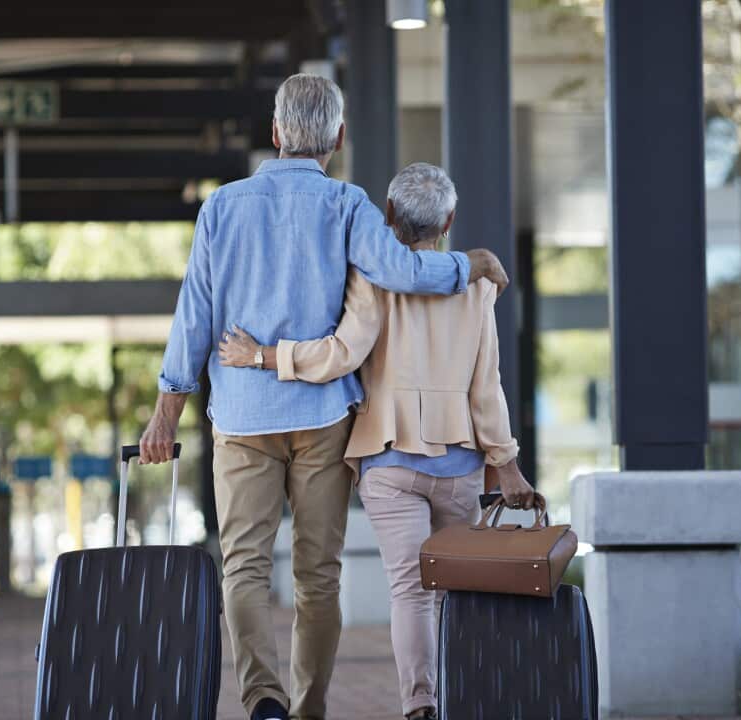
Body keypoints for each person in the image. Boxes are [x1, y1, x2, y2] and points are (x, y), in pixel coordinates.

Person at [137, 75, 509, 720]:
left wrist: (166, 411)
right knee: (318, 575)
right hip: (324, 418)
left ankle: (264, 701)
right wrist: (467, 264)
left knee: (245, 569)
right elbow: (399, 271)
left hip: (243, 417)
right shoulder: (347, 204)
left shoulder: (221, 207)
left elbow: (192, 314)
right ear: (337, 138)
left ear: (277, 134)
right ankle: (309, 709)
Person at [218, 162, 534, 720]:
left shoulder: (371, 277)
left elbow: (341, 354)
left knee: (410, 590)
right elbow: (488, 386)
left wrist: (266, 356)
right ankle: (460, 695)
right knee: (454, 591)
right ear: (450, 221)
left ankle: (420, 705)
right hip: (459, 463)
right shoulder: (478, 287)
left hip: (388, 461)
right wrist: (505, 461)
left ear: (387, 216)